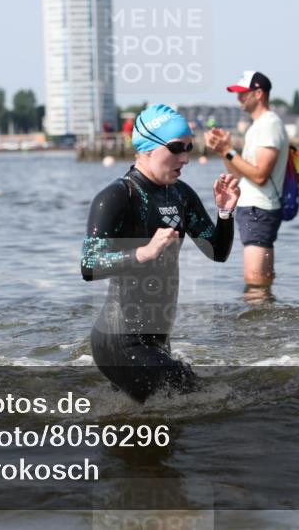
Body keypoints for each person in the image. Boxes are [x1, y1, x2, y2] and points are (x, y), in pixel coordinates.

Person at [82, 104, 239, 403]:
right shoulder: (117, 197)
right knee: (214, 400)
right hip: (119, 342)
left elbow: (216, 251)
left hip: (156, 342)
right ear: (148, 148)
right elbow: (88, 265)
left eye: (189, 148)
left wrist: (225, 212)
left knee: (160, 433)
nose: (186, 158)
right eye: (176, 148)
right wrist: (143, 252)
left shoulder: (181, 195)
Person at [205, 71, 288, 290]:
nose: (238, 98)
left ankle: (257, 323)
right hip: (256, 208)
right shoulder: (258, 126)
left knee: (255, 281)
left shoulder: (269, 124)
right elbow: (242, 174)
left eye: (243, 93)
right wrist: (224, 151)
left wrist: (229, 150)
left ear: (259, 93)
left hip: (259, 209)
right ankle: (265, 319)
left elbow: (259, 175)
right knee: (261, 280)